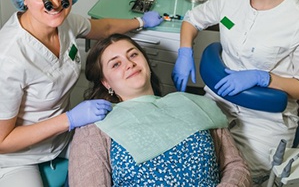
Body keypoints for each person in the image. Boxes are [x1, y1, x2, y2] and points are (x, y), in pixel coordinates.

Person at [0, 0, 163, 186]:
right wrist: (70, 119)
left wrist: (139, 21)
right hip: (18, 157)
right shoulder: (8, 58)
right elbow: (3, 140)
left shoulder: (65, 23)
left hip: (62, 138)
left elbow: (104, 28)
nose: (54, 2)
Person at [171, 0, 299, 186]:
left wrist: (263, 78)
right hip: (218, 100)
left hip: (265, 120)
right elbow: (192, 20)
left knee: (239, 178)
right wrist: (185, 52)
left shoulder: (296, 19)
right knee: (192, 167)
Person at [68, 33, 251, 187]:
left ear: (146, 62)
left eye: (133, 55)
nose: (129, 64)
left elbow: (236, 166)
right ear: (106, 82)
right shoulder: (95, 129)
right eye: (116, 64)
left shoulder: (196, 105)